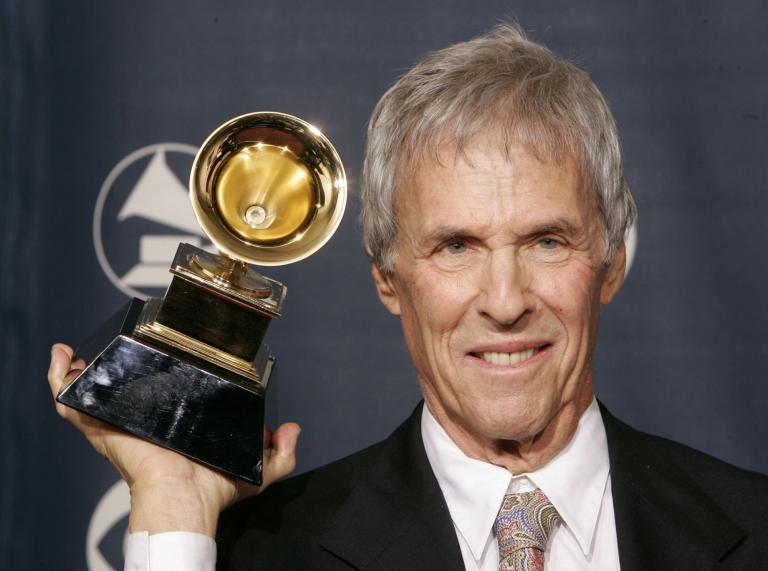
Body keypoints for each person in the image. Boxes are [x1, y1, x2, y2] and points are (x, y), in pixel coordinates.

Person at [48, 23, 768, 570]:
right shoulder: (261, 553)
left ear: (609, 261)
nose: (506, 299)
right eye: (456, 246)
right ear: (388, 279)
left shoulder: (753, 525)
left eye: (547, 240)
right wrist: (174, 503)